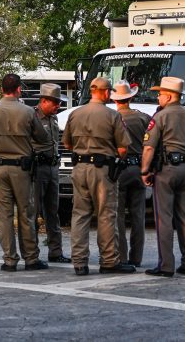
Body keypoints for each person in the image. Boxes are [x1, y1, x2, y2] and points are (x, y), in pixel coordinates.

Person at [0, 73, 49, 272]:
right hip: (22, 170)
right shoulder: (28, 112)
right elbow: (42, 138)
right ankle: (31, 258)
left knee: (4, 215)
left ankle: (9, 260)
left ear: (1, 90)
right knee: (26, 213)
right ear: (18, 89)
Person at [62, 77, 135, 276]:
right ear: (105, 92)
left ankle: (79, 262)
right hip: (103, 171)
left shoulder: (75, 114)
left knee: (80, 215)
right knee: (106, 214)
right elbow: (123, 148)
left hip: (79, 168)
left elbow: (67, 143)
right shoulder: (112, 115)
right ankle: (109, 260)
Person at [141, 77, 185, 277]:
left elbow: (149, 148)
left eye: (160, 94)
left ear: (169, 96)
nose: (158, 97)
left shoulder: (161, 116)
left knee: (164, 218)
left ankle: (166, 265)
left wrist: (145, 171)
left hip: (167, 170)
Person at [111, 80, 150, 267]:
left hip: (119, 169)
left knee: (118, 216)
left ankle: (122, 257)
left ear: (115, 100)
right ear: (131, 98)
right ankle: (137, 257)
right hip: (139, 169)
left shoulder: (112, 118)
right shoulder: (143, 118)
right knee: (138, 215)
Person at [32, 83, 71, 263]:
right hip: (37, 169)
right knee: (33, 212)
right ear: (44, 101)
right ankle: (32, 253)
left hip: (53, 168)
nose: (58, 106)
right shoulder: (32, 117)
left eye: (59, 102)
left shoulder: (53, 118)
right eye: (55, 102)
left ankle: (56, 251)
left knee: (53, 212)